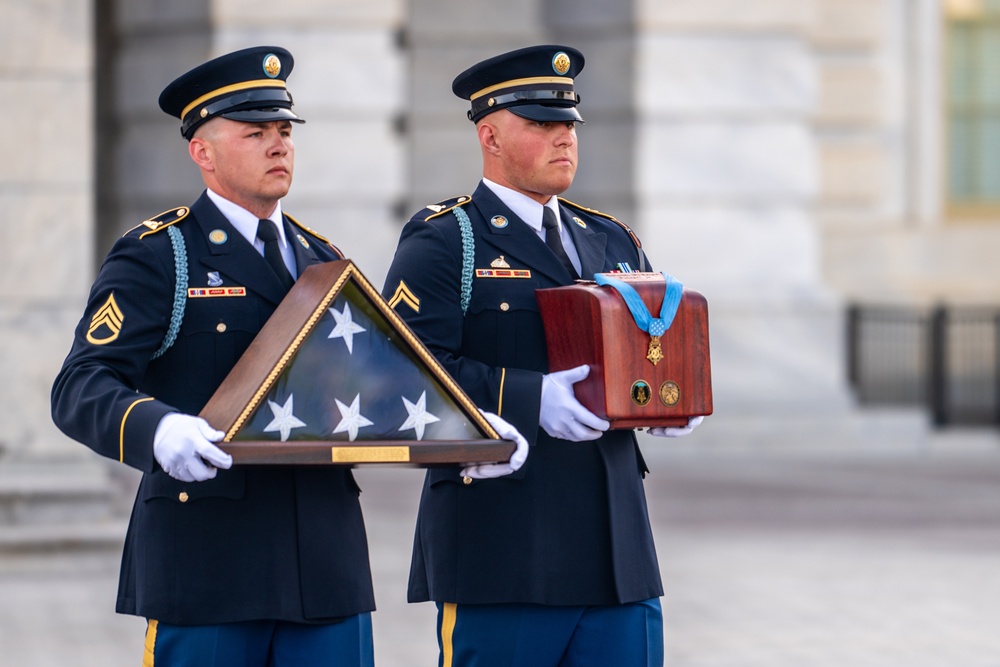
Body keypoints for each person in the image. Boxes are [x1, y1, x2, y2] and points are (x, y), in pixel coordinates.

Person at [50, 45, 527, 666]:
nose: (279, 146)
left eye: (284, 131)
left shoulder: (318, 258)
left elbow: (379, 390)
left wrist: (468, 436)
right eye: (255, 132)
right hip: (208, 565)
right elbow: (81, 384)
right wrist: (157, 428)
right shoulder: (162, 254)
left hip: (323, 567)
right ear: (203, 152)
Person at [381, 45, 703, 666]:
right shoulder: (447, 239)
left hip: (615, 551)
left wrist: (661, 399)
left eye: (568, 125)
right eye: (541, 124)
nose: (563, 139)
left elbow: (644, 347)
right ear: (490, 136)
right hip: (503, 549)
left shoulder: (609, 237)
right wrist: (530, 398)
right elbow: (404, 372)